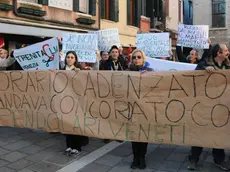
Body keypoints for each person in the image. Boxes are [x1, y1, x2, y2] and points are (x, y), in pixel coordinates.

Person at [188, 44, 230, 171]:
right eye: (226, 50)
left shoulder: (228, 65)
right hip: (206, 106)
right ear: (219, 53)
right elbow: (193, 77)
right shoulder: (204, 64)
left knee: (218, 133)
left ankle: (219, 159)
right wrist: (205, 69)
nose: (228, 52)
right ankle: (193, 159)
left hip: (222, 107)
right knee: (201, 132)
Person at [127, 49, 153, 170]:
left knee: (143, 133)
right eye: (134, 57)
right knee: (134, 133)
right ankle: (135, 157)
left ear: (143, 59)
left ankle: (142, 157)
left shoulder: (150, 71)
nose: (136, 59)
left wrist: (147, 78)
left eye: (139, 57)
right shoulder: (128, 71)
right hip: (132, 107)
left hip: (145, 107)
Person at [61, 51, 89, 156]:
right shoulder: (61, 70)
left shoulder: (78, 71)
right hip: (64, 101)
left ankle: (77, 147)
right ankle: (69, 145)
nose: (69, 59)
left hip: (76, 102)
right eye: (68, 57)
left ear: (75, 59)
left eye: (72, 57)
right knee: (67, 124)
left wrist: (81, 74)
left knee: (76, 124)